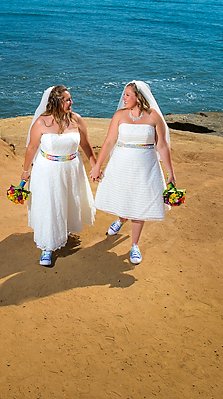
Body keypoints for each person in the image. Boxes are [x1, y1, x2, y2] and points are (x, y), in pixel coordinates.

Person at [89, 81, 176, 265]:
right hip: (121, 165)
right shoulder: (119, 115)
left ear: (139, 97)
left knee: (140, 202)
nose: (124, 98)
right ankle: (121, 219)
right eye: (125, 94)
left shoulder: (153, 117)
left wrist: (170, 172)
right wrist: (97, 166)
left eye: (128, 95)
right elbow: (109, 141)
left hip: (146, 167)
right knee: (125, 196)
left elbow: (162, 145)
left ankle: (134, 244)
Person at [21, 85, 97, 266]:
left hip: (72, 168)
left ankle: (64, 228)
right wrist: (25, 172)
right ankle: (47, 247)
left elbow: (86, 145)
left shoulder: (76, 120)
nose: (72, 102)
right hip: (48, 171)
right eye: (68, 100)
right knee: (50, 204)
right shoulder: (41, 123)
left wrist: (95, 167)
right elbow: (31, 147)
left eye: (70, 99)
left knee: (69, 200)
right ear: (56, 102)